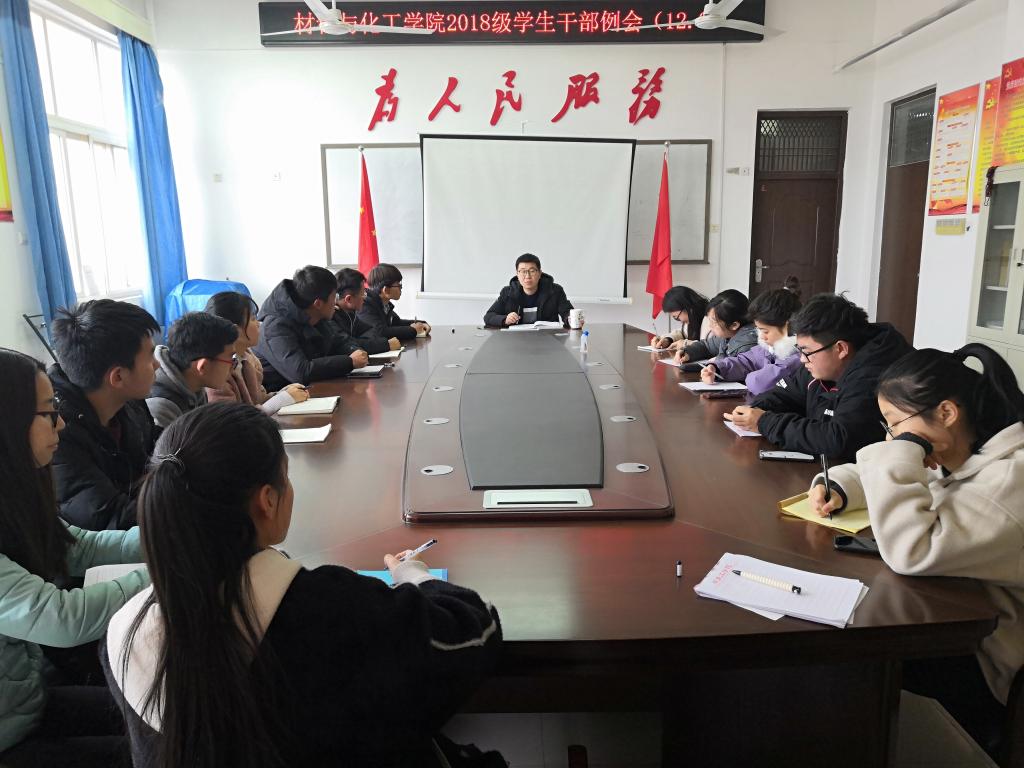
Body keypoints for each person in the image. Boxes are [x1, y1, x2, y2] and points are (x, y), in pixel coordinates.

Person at [102, 403, 501, 767]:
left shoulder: (125, 633)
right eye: (286, 477)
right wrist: (415, 575)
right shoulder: (330, 612)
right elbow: (475, 634)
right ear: (267, 501)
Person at [807, 344, 1024, 758]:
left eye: (895, 425)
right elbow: (904, 477)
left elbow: (911, 550)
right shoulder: (969, 447)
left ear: (946, 413)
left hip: (993, 656)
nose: (892, 438)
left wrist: (903, 451)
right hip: (970, 614)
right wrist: (838, 484)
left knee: (852, 656)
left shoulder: (1007, 483)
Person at [0, 348, 149, 768]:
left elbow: (77, 546)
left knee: (161, 712)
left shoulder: (15, 494)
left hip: (28, 703)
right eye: (49, 412)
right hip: (9, 737)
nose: (61, 423)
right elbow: (63, 618)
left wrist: (167, 536)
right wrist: (171, 566)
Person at [725, 293, 913, 461]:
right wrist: (755, 410)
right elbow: (785, 393)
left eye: (806, 351)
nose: (801, 359)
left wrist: (765, 422)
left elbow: (840, 439)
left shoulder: (875, 375)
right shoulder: (821, 363)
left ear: (841, 349)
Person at [49, 299, 160, 530]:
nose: (157, 364)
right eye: (150, 357)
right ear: (118, 377)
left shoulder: (128, 401)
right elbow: (111, 519)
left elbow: (158, 445)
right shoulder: (57, 433)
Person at [253, 266, 369, 391]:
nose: (336, 302)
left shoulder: (315, 315)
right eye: (334, 296)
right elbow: (300, 372)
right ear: (318, 303)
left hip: (312, 389)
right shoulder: (275, 327)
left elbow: (339, 342)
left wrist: (356, 351)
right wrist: (349, 362)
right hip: (281, 395)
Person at [204, 292, 310, 415]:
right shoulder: (217, 372)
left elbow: (259, 400)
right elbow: (232, 421)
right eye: (253, 319)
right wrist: (283, 399)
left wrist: (284, 393)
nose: (259, 324)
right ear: (235, 330)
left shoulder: (248, 357)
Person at [700, 280, 802, 395]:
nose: (762, 337)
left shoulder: (797, 356)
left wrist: (749, 376)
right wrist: (717, 368)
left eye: (765, 331)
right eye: (759, 330)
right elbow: (746, 361)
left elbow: (759, 384)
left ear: (787, 327)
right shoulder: (768, 348)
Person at [146, 312, 239, 429]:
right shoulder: (161, 409)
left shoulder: (194, 384)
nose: (233, 366)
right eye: (230, 359)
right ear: (203, 367)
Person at [483, 254, 574, 328]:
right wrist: (505, 319)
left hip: (546, 339)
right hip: (516, 339)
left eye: (532, 271)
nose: (527, 276)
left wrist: (571, 319)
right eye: (523, 271)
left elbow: (567, 312)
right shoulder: (507, 293)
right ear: (517, 274)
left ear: (540, 273)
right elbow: (489, 316)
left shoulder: (555, 291)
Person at [672, 289, 758, 364]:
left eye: (714, 323)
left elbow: (736, 368)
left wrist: (717, 363)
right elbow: (706, 346)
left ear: (734, 325)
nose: (710, 326)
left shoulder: (748, 345)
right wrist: (688, 353)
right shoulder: (728, 334)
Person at [331, 268, 402, 355]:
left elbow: (372, 331)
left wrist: (361, 342)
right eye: (363, 294)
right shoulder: (330, 316)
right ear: (349, 299)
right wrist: (385, 344)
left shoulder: (350, 313)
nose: (365, 298)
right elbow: (345, 345)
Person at [359, 264, 430, 341]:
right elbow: (380, 332)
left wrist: (421, 323)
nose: (401, 288)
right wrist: (413, 330)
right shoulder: (365, 304)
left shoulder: (384, 304)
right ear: (386, 290)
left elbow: (396, 323)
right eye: (398, 285)